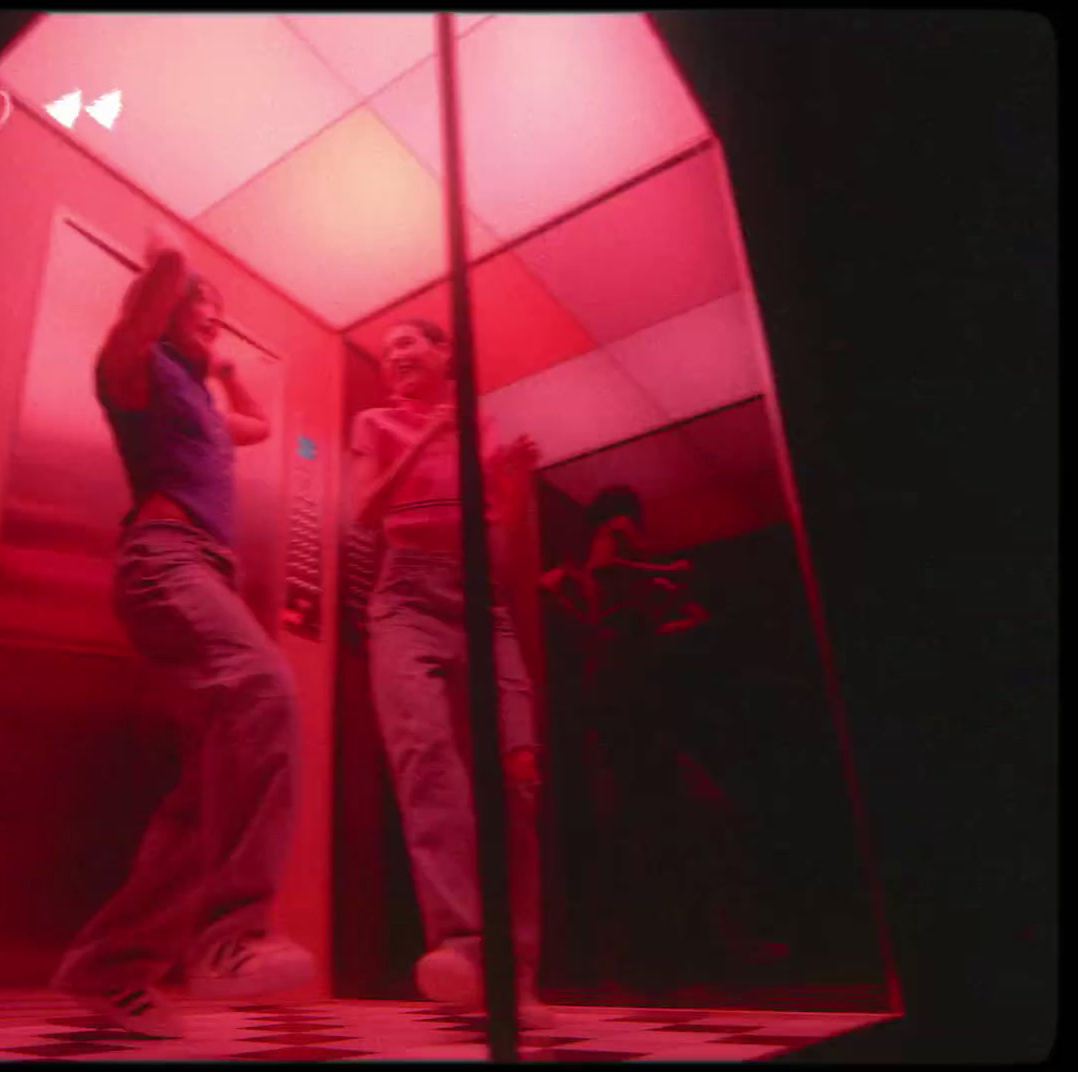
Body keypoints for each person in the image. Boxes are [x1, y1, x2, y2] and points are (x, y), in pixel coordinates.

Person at [49, 225, 314, 1038]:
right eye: (205, 307)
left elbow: (264, 428)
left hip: (207, 571)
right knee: (266, 694)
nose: (214, 320)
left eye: (221, 314)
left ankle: (111, 966)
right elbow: (137, 320)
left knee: (209, 791)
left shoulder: (198, 394)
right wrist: (169, 264)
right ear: (170, 309)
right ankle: (230, 936)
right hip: (164, 562)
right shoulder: (136, 373)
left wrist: (231, 369)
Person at [348, 318, 554, 1029]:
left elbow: (498, 529)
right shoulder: (373, 421)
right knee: (425, 755)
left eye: (409, 343)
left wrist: (516, 486)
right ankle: (467, 948)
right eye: (385, 352)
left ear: (445, 354)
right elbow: (364, 511)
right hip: (405, 596)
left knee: (516, 775)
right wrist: (424, 446)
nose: (396, 356)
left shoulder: (483, 427)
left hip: (477, 598)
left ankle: (520, 974)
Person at [539, 485, 787, 992]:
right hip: (624, 709)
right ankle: (682, 950)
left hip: (624, 708)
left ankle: (650, 955)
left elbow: (620, 627)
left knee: (660, 825)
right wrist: (664, 572)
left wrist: (677, 620)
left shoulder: (596, 589)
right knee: (662, 824)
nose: (631, 536)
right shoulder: (612, 545)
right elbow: (610, 582)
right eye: (626, 526)